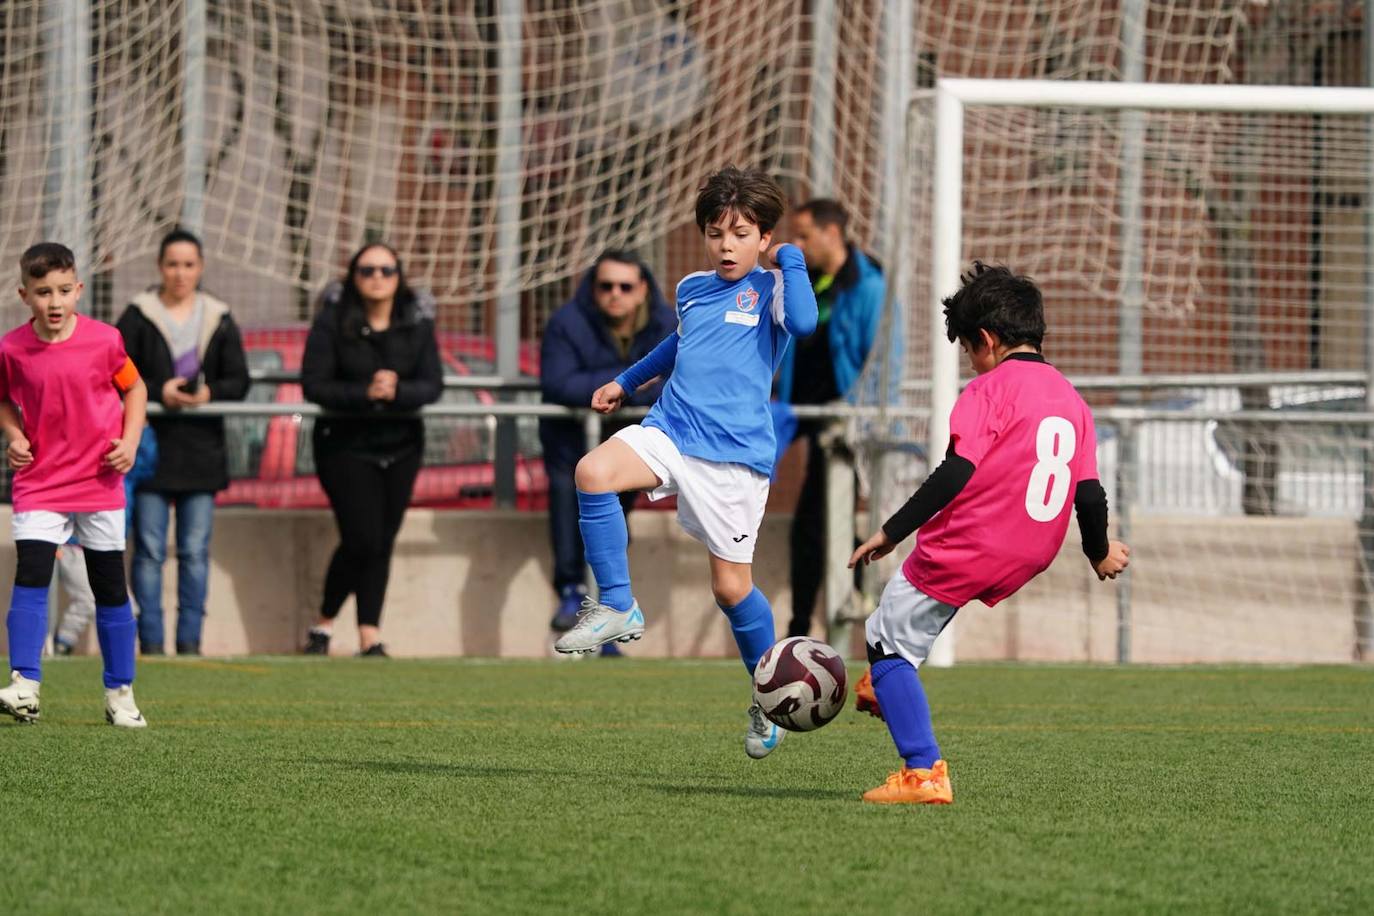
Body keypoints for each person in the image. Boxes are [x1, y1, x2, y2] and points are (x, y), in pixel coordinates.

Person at [553, 166, 818, 759]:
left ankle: (765, 695)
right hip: (672, 428)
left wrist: (792, 261)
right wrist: (626, 381)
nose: (726, 245)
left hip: (734, 458)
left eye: (742, 232)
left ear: (763, 238)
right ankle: (618, 603)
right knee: (592, 472)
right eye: (716, 232)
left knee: (730, 588)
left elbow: (804, 324)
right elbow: (680, 343)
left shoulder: (775, 289)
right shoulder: (694, 287)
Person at [846, 262, 1130, 804]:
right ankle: (888, 689)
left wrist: (891, 531)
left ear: (987, 340)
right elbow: (1089, 495)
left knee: (884, 640)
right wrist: (1098, 553)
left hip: (973, 542)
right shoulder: (1073, 402)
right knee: (908, 626)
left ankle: (923, 771)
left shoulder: (988, 391)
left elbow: (956, 472)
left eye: (969, 351)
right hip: (1034, 550)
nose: (972, 365)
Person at [0, 242, 149, 727]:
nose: (55, 301)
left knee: (109, 587)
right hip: (40, 483)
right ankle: (25, 685)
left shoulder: (105, 340)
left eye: (64, 290)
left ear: (79, 289)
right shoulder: (11, 348)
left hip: (99, 482)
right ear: (25, 295)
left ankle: (120, 694)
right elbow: (3, 399)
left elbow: (136, 388)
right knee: (31, 575)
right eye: (44, 292)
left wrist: (129, 441)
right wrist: (15, 434)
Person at [300, 243, 442, 657]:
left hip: (401, 445)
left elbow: (432, 385)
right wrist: (365, 392)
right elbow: (314, 383)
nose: (377, 278)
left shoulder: (415, 324)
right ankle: (325, 623)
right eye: (367, 271)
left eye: (386, 270)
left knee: (382, 540)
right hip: (345, 444)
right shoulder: (333, 321)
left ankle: (369, 634)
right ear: (353, 277)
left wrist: (398, 391)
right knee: (361, 538)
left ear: (398, 276)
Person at [117, 229, 250, 656]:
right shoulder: (138, 315)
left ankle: (190, 642)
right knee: (150, 550)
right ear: (160, 267)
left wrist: (207, 394)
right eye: (172, 264)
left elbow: (239, 380)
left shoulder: (220, 316)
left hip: (202, 452)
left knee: (194, 550)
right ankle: (151, 641)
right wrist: (159, 392)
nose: (180, 272)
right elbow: (117, 373)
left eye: (189, 264)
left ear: (201, 267)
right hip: (150, 449)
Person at [539, 249, 676, 655]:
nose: (615, 294)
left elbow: (679, 376)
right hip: (572, 447)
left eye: (625, 286)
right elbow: (559, 383)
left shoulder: (666, 323)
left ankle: (611, 615)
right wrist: (628, 382)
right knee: (569, 509)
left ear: (642, 290)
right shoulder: (568, 321)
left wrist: (633, 384)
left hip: (634, 446)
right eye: (605, 286)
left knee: (614, 528)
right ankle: (571, 591)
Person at [774, 199, 890, 638]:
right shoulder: (807, 283)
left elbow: (881, 363)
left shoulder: (867, 286)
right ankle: (820, 613)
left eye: (804, 235)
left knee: (818, 520)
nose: (797, 245)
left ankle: (812, 621)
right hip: (798, 412)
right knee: (806, 515)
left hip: (843, 422)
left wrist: (861, 418)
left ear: (832, 233)